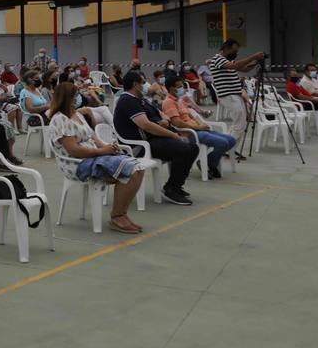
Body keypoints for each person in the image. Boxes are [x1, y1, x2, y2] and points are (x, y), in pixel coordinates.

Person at [47, 83, 145, 234]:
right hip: (78, 164)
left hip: (93, 156)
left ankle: (121, 213)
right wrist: (101, 152)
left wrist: (108, 148)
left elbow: (94, 137)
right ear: (66, 98)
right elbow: (74, 150)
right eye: (74, 96)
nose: (77, 98)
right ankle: (117, 216)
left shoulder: (77, 115)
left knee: (138, 168)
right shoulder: (59, 119)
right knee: (130, 169)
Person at [112, 70, 197, 206]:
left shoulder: (141, 100)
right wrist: (172, 134)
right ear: (135, 84)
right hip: (140, 146)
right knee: (183, 148)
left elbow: (160, 114)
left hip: (152, 139)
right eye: (143, 83)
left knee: (193, 147)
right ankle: (171, 189)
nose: (147, 86)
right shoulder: (127, 101)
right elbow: (146, 125)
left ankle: (175, 185)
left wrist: (162, 121)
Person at [161, 73, 237, 179]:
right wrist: (198, 128)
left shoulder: (180, 100)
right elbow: (177, 123)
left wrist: (201, 123)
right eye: (179, 87)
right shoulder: (168, 102)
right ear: (171, 88)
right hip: (188, 133)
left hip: (198, 129)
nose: (182, 88)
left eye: (182, 86)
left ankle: (208, 162)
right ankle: (209, 164)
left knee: (231, 140)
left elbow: (191, 116)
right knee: (223, 143)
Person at [206, 40, 267, 152]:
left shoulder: (227, 60)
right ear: (225, 49)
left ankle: (229, 149)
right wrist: (253, 56)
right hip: (229, 95)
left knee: (240, 125)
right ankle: (225, 149)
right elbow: (234, 66)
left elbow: (245, 68)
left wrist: (256, 61)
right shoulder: (218, 59)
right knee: (239, 125)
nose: (236, 53)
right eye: (234, 51)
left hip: (235, 94)